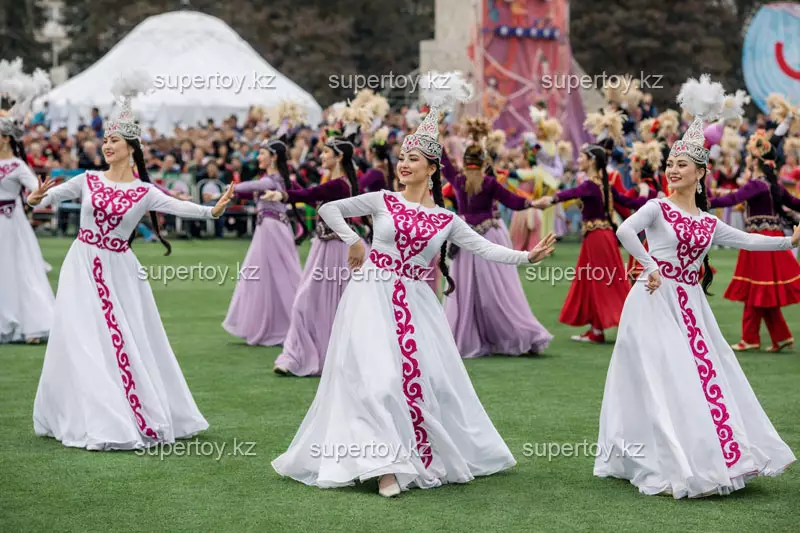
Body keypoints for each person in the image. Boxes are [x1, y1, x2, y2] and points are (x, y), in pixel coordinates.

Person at [272, 72, 556, 497]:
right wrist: (354, 241)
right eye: (402, 157)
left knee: (430, 383)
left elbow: (484, 248)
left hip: (417, 304)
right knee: (379, 379)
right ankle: (385, 466)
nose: (404, 164)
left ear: (432, 168)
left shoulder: (445, 219)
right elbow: (330, 209)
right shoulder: (383, 200)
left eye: (414, 159)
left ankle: (415, 454)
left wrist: (526, 256)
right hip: (371, 294)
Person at [595, 75, 798, 498]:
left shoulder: (707, 222)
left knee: (702, 372)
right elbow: (626, 232)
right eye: (670, 164)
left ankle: (712, 453)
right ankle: (658, 453)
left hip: (690, 305)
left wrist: (788, 241)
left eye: (681, 165)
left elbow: (748, 240)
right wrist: (650, 265)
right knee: (658, 375)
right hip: (653, 300)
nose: (672, 170)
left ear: (700, 173)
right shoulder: (657, 207)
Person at [26, 72, 234, 450]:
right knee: (80, 336)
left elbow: (180, 206)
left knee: (125, 337)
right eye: (105, 140)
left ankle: (128, 411)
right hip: (82, 264)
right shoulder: (88, 180)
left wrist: (212, 211)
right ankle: (82, 414)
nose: (107, 145)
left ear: (131, 148)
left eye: (114, 141)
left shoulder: (144, 191)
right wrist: (35, 198)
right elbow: (49, 198)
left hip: (120, 269)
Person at [441, 116, 552, 358]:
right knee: (498, 290)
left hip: (464, 238)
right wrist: (535, 203)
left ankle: (469, 335)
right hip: (489, 236)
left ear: (465, 163)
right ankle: (511, 333)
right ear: (483, 163)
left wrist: (435, 131)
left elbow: (443, 160)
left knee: (464, 291)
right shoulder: (490, 182)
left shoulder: (458, 180)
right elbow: (513, 201)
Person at [532, 145, 652, 343]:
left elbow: (569, 193)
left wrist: (550, 199)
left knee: (601, 282)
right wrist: (645, 195)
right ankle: (596, 330)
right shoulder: (603, 185)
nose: (578, 159)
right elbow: (631, 203)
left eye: (581, 156)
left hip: (597, 238)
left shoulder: (591, 185)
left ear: (591, 161)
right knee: (593, 282)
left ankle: (631, 324)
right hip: (600, 237)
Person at [709, 126, 800, 352]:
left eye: (750, 156)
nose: (747, 160)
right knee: (761, 289)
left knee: (756, 288)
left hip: (759, 240)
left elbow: (733, 199)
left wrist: (705, 201)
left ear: (755, 160)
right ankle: (780, 336)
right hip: (771, 238)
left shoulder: (757, 184)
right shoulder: (771, 185)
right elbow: (794, 203)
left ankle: (750, 338)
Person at [222, 138, 304, 346]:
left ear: (273, 157)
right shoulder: (277, 179)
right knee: (266, 276)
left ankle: (293, 323)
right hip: (269, 229)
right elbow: (253, 189)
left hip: (272, 230)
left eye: (262, 154)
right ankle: (275, 323)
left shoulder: (272, 180)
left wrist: (230, 188)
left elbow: (254, 186)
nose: (258, 157)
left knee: (279, 275)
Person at [0, 64, 54, 344]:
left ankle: (28, 324)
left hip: (12, 223)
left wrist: (38, 194)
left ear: (6, 139)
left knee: (17, 270)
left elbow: (35, 188)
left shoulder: (17, 165)